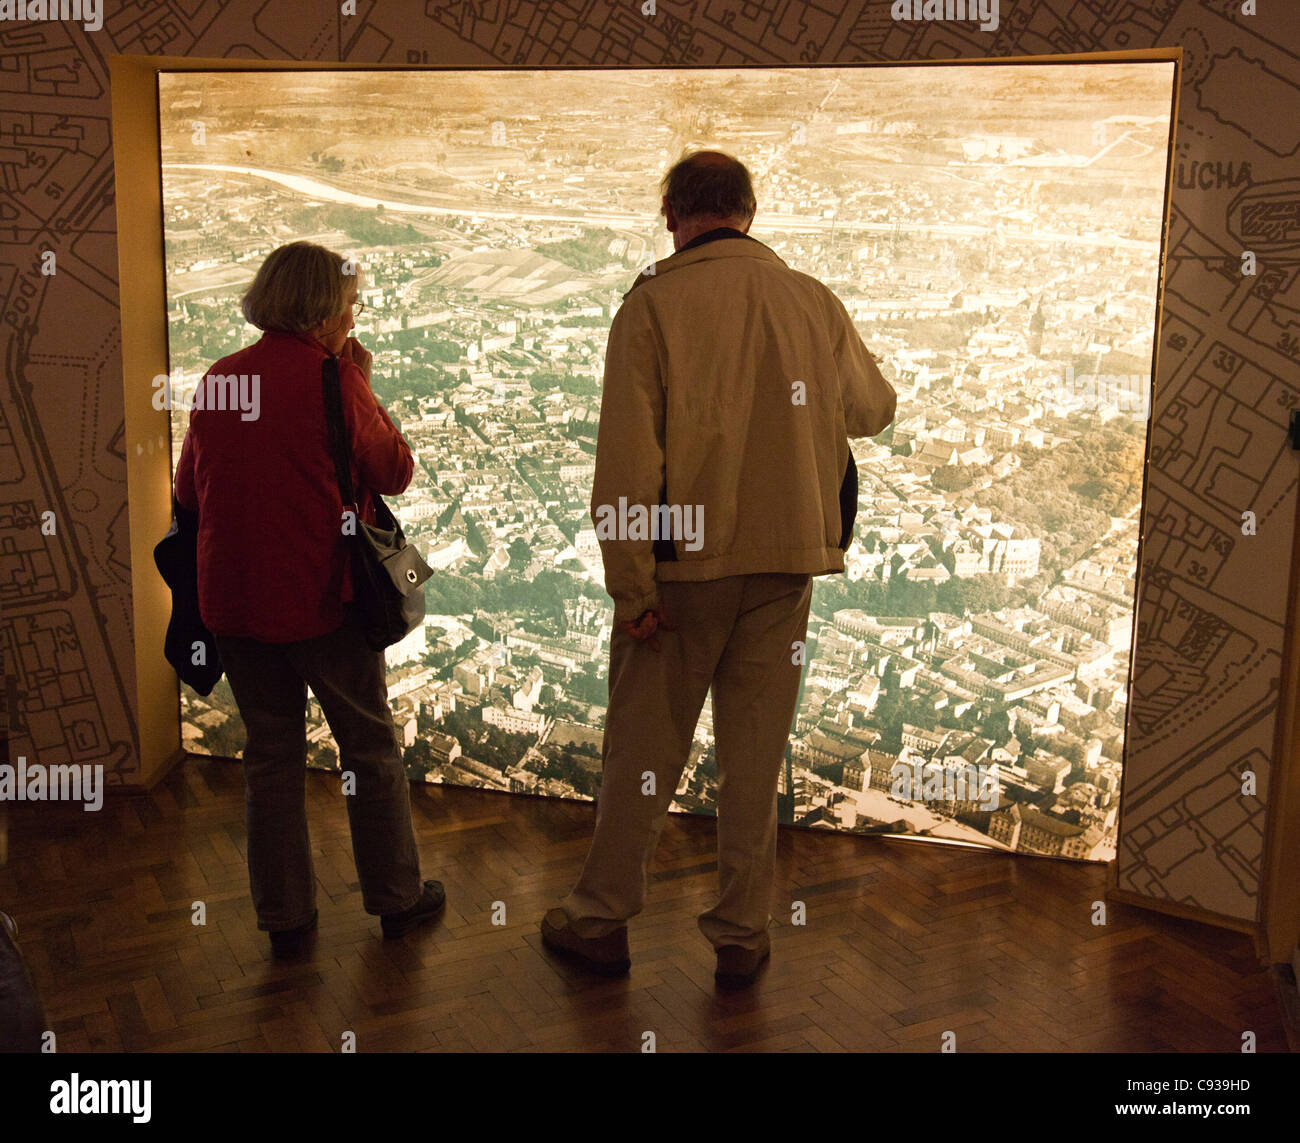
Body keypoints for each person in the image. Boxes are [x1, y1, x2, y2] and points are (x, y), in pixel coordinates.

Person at [541, 151, 897, 988]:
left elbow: (627, 463)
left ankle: (600, 919)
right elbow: (874, 410)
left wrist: (631, 587)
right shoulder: (811, 300)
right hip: (788, 561)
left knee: (642, 751)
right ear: (748, 210)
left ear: (672, 213)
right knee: (754, 754)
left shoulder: (652, 306)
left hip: (679, 566)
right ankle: (741, 932)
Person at [174, 241, 444, 958]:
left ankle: (285, 917)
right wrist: (361, 381)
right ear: (323, 311)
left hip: (232, 601)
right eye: (350, 307)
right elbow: (396, 469)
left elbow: (186, 492)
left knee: (270, 755)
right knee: (368, 747)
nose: (354, 321)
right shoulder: (334, 379)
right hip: (325, 598)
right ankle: (395, 897)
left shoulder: (219, 380)